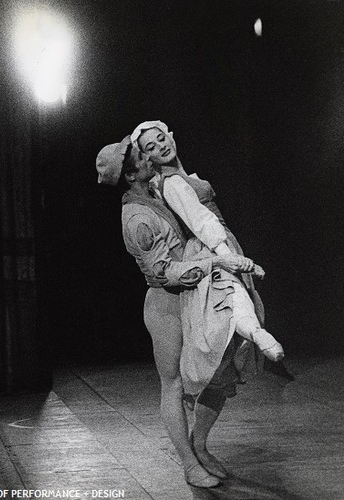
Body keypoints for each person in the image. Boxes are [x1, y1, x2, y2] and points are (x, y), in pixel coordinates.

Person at [96, 136, 257, 489]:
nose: (150, 156)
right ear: (131, 174)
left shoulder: (157, 191)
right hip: (167, 303)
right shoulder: (136, 218)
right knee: (174, 385)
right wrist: (216, 259)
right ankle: (188, 462)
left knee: (220, 371)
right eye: (142, 155)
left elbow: (199, 200)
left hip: (194, 294)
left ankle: (199, 445)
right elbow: (165, 272)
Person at [131, 120, 284, 366]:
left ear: (170, 137)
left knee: (235, 293)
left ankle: (254, 334)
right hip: (208, 243)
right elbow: (200, 220)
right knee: (230, 293)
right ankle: (257, 334)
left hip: (219, 238)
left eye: (161, 139)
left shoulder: (180, 176)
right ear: (147, 157)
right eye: (151, 147)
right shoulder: (172, 183)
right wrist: (227, 254)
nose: (160, 146)